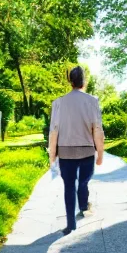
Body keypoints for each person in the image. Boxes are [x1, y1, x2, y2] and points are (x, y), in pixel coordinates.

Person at [49, 66, 105, 235]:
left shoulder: (58, 103)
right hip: (87, 151)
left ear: (70, 81)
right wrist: (100, 153)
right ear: (83, 81)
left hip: (65, 152)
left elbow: (54, 131)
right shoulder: (92, 101)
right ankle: (83, 206)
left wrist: (52, 155)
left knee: (68, 186)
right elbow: (97, 129)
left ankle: (71, 223)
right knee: (83, 181)